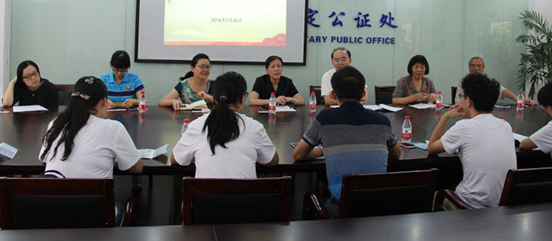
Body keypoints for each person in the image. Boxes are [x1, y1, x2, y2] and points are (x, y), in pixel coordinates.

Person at [293, 66, 401, 217]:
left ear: (333, 94)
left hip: (342, 211)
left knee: (313, 196)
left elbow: (298, 155)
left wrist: (321, 150)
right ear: (363, 94)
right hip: (378, 209)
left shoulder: (324, 119)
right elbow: (397, 153)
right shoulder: (382, 121)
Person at [427, 73, 517, 209]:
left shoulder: (463, 127)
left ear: (468, 101)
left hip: (470, 207)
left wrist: (445, 117)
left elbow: (432, 148)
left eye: (462, 96)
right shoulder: (505, 125)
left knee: (432, 196)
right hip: (502, 207)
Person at [171, 71, 279, 177]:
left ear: (214, 99)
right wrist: (253, 155)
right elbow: (272, 160)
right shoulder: (254, 127)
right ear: (243, 97)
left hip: (205, 189)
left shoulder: (197, 125)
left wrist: (197, 155)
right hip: (244, 189)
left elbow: (175, 159)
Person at [39, 76, 143, 178]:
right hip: (93, 190)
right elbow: (136, 168)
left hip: (54, 188)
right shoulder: (113, 128)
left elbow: (44, 158)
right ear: (104, 102)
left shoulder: (56, 123)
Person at [454, 56, 533, 106]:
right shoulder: (464, 82)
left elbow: (503, 91)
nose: (476, 68)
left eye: (479, 66)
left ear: (483, 68)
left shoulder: (486, 81)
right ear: (469, 67)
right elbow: (458, 102)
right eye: (473, 66)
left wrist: (519, 100)